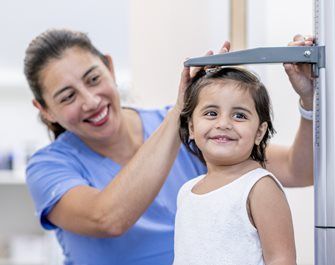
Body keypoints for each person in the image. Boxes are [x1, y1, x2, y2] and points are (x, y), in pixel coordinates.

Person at [24, 28, 313, 265]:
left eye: (93, 79)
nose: (90, 101)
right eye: (67, 97)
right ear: (44, 109)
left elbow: (296, 169)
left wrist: (309, 100)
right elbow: (107, 218)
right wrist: (182, 111)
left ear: (110, 68)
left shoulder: (201, 133)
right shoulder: (48, 167)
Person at [174, 67, 295, 264]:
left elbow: (281, 260)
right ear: (192, 127)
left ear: (259, 132)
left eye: (239, 116)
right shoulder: (187, 191)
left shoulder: (260, 187)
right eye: (211, 113)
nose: (223, 123)